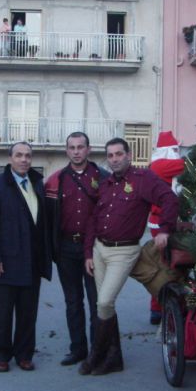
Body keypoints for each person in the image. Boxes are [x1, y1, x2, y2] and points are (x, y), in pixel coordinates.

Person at [81, 137, 179, 376]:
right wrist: (88, 253)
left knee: (104, 302)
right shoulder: (105, 184)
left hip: (124, 251)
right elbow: (94, 218)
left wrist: (165, 229)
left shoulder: (143, 179)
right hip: (99, 249)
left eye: (118, 154)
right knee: (104, 304)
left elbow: (169, 199)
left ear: (129, 155)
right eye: (110, 155)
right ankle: (113, 358)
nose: (114, 159)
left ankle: (96, 354)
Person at [0, 142, 52, 372]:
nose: (24, 160)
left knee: (28, 313)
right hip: (4, 262)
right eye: (19, 155)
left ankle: (24, 354)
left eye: (28, 156)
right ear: (10, 158)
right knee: (2, 313)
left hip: (32, 261)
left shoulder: (38, 184)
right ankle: (0, 354)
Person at [45, 132, 107, 366]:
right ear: (66, 150)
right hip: (66, 248)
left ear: (88, 149)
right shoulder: (55, 180)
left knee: (97, 302)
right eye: (72, 147)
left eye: (81, 147)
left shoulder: (103, 178)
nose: (76, 151)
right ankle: (78, 349)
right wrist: (52, 250)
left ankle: (97, 352)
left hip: (94, 249)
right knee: (73, 301)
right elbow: (48, 219)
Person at [147, 130, 185, 324]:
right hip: (162, 222)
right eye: (175, 149)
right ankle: (158, 308)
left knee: (169, 263)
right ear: (168, 151)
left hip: (169, 221)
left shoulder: (159, 165)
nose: (178, 152)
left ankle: (162, 307)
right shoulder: (160, 165)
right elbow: (185, 165)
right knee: (164, 264)